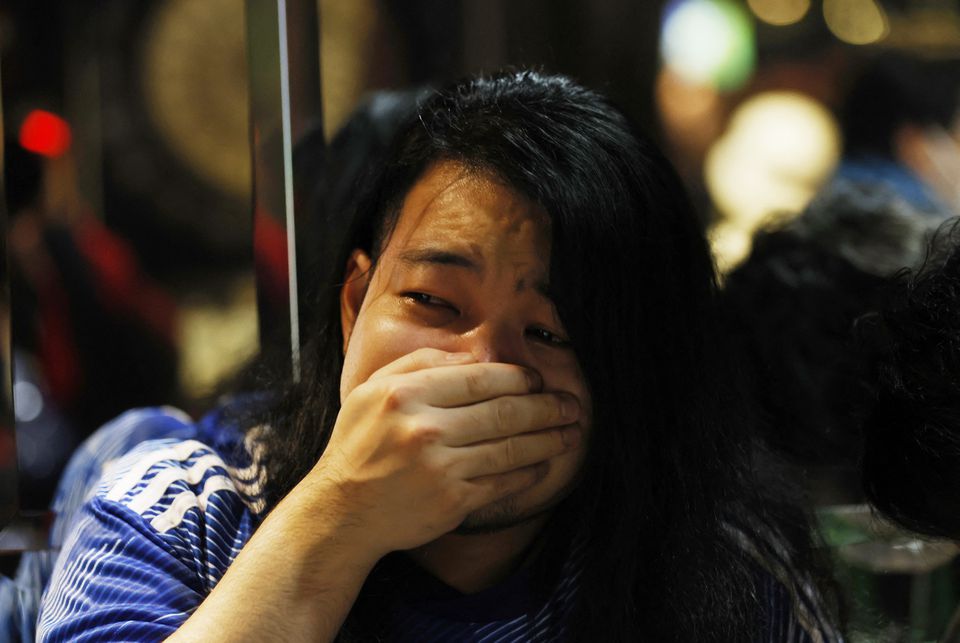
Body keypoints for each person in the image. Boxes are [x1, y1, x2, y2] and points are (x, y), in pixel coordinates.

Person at [37, 71, 841, 641]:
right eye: (432, 302)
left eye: (553, 334)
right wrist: (340, 515)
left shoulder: (722, 567)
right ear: (356, 305)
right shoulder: (181, 511)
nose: (476, 365)